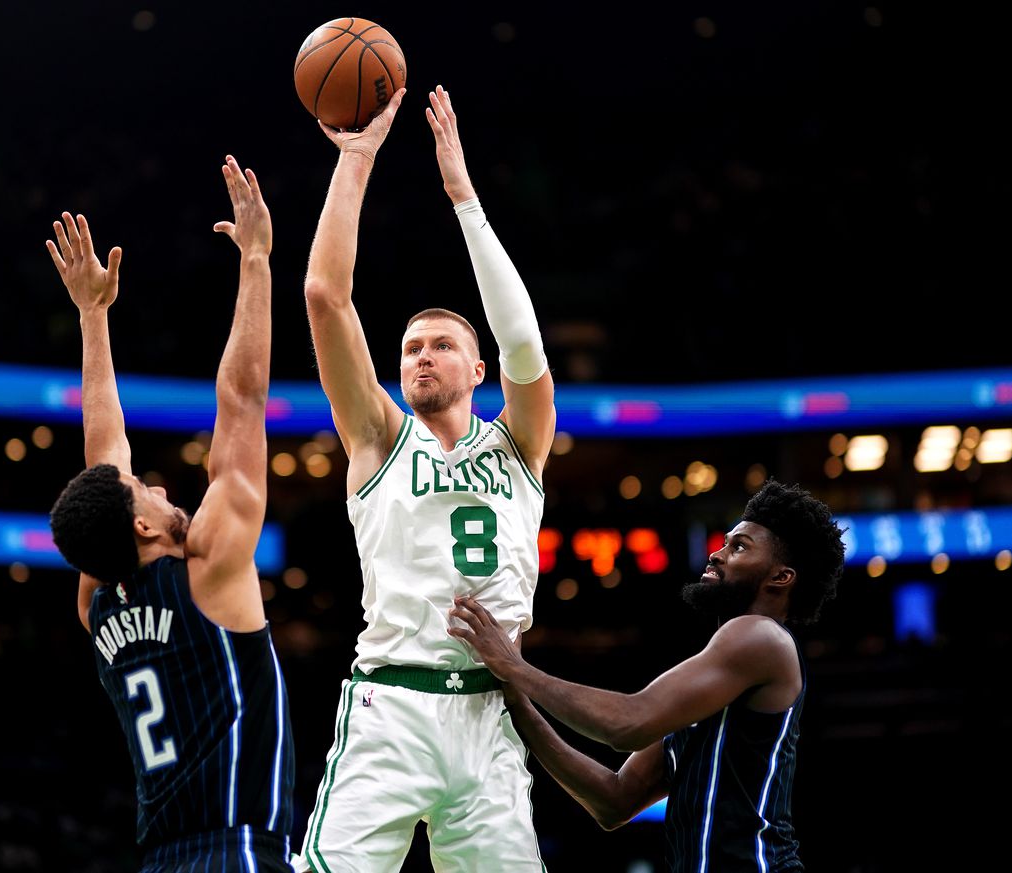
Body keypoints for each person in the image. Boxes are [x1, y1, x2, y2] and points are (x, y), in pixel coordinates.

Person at [296, 85, 557, 872]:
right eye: (410, 347)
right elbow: (323, 296)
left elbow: (525, 341)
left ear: (477, 370)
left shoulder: (521, 443)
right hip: (392, 705)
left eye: (439, 345)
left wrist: (464, 198)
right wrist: (357, 160)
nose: (419, 355)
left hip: (492, 711)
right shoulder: (378, 436)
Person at [46, 157, 294, 871]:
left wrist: (94, 316)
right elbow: (242, 400)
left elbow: (104, 461)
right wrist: (256, 260)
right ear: (144, 526)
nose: (160, 488)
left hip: (159, 860)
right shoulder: (209, 571)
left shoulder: (96, 603)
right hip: (238, 848)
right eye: (147, 490)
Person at [449, 480, 846, 872]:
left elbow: (628, 724)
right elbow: (615, 800)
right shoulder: (720, 672)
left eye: (739, 547)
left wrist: (516, 668)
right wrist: (519, 702)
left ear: (781, 577)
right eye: (725, 542)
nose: (717, 555)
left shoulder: (760, 636)